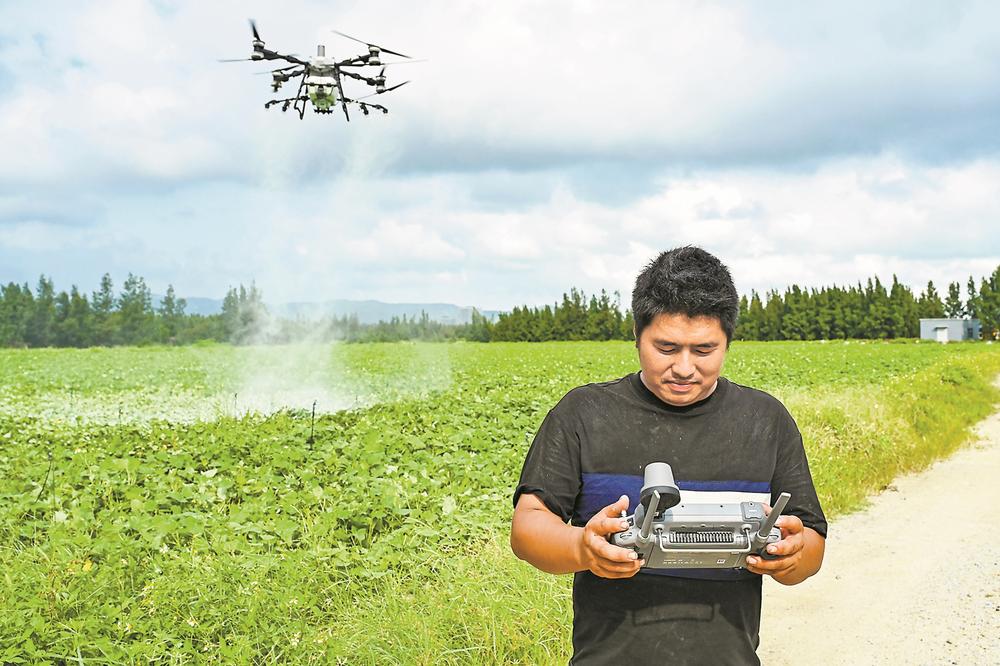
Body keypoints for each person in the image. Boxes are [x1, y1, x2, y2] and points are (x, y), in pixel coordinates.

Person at [509, 246, 827, 665]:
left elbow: (811, 545)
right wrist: (582, 548)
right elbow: (527, 527)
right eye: (666, 347)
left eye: (704, 350)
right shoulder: (584, 414)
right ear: (637, 334)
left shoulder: (765, 421)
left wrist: (791, 557)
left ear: (728, 342)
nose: (684, 367)